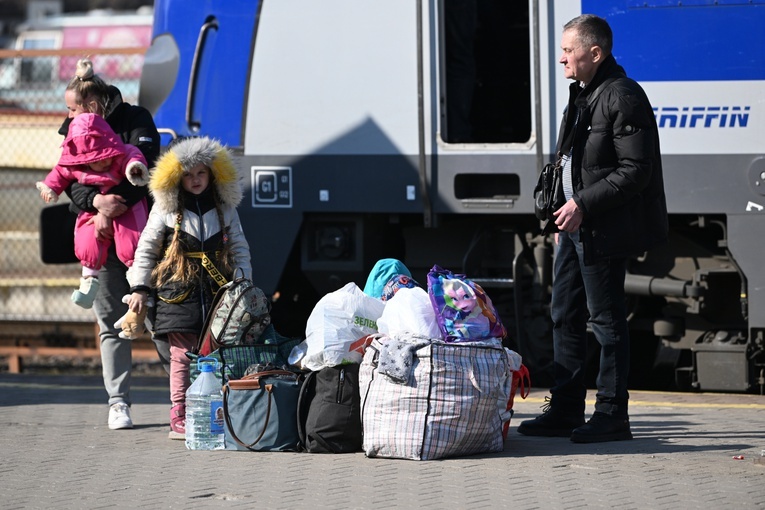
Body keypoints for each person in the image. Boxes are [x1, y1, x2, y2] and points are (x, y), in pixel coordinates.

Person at [517, 15, 667, 443]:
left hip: (604, 226)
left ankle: (612, 415)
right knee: (564, 314)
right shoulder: (583, 94)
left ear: (594, 53)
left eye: (568, 50)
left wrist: (582, 203)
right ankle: (565, 409)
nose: (561, 57)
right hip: (575, 227)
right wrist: (565, 210)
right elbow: (574, 162)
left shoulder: (622, 95)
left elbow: (636, 170)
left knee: (606, 321)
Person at [56, 58, 165, 431]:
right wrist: (96, 205)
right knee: (109, 323)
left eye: (73, 109)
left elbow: (146, 166)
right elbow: (69, 179)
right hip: (99, 238)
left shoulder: (136, 119)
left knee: (157, 319)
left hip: (140, 239)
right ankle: (118, 403)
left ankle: (182, 397)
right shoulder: (71, 127)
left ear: (92, 105)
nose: (68, 117)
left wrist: (113, 204)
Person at [125, 137, 252, 440]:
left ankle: (216, 412)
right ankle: (178, 415)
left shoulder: (225, 209)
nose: (195, 181)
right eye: (188, 175)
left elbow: (239, 248)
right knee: (181, 355)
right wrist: (140, 289)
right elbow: (146, 249)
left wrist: (244, 285)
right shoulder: (165, 209)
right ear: (176, 176)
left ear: (212, 174)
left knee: (215, 355)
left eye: (201, 174)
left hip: (217, 293)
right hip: (176, 293)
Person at [36, 113, 149, 309]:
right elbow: (60, 172)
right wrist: (50, 188)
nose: (102, 163)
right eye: (96, 161)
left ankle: (139, 282)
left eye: (105, 157)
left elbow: (134, 155)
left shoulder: (121, 153)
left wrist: (135, 169)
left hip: (125, 207)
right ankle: (88, 279)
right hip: (92, 210)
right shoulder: (75, 164)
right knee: (86, 239)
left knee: (133, 239)